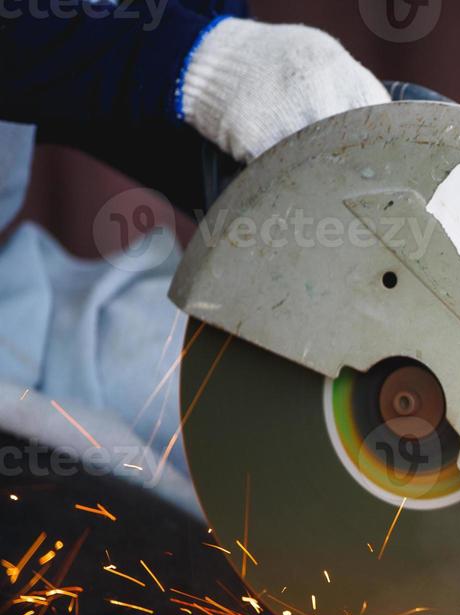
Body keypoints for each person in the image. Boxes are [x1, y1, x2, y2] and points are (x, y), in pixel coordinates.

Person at [0, 1, 389, 513]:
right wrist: (200, 61)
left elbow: (77, 73)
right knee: (136, 534)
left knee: (271, 445)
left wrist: (251, 164)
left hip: (15, 308)